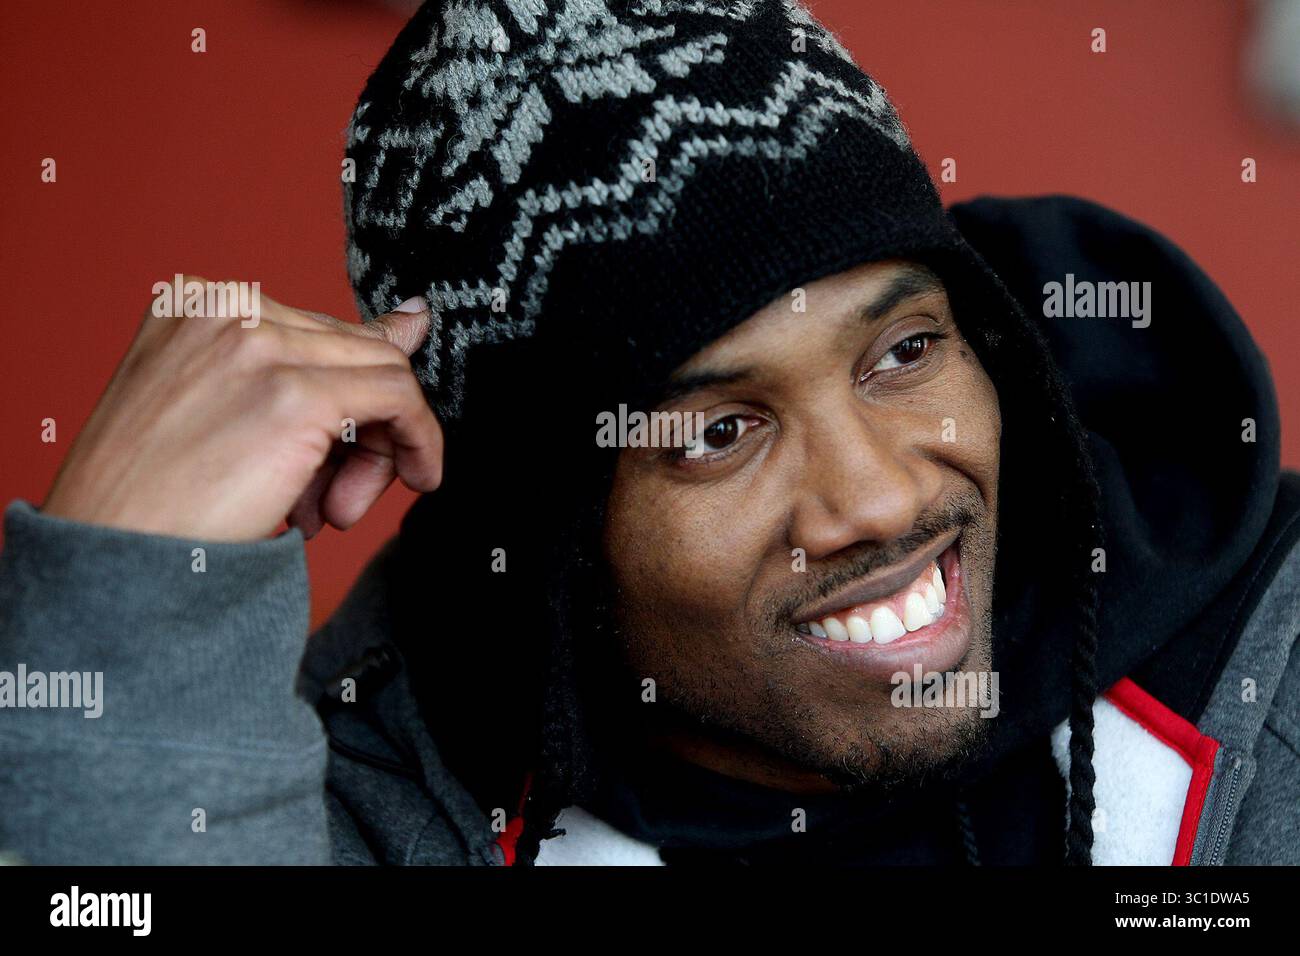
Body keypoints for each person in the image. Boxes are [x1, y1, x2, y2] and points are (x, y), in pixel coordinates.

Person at [2, 0, 1296, 866]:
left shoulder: (1266, 667)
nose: (879, 500)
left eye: (904, 353)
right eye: (718, 434)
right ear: (555, 537)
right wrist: (121, 616)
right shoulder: (371, 820)